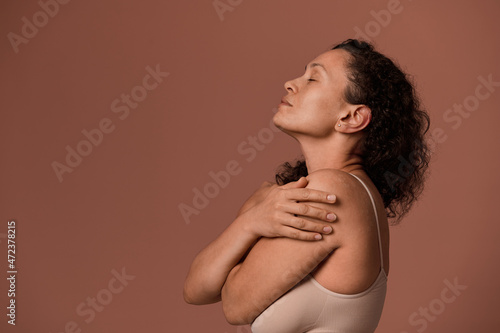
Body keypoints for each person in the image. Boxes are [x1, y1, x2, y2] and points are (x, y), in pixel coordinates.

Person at [183, 39, 430, 332]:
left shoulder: (334, 191)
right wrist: (249, 223)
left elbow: (235, 304)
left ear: (351, 118)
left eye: (313, 78)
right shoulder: (340, 190)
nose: (290, 83)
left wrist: (252, 219)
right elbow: (195, 290)